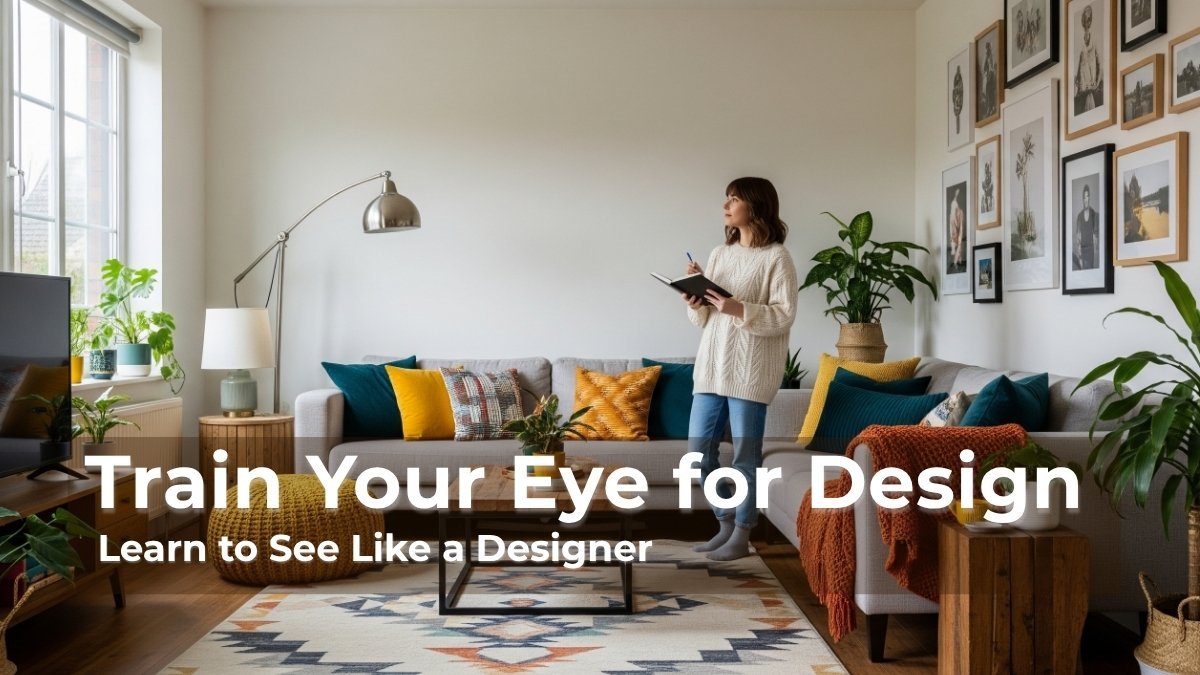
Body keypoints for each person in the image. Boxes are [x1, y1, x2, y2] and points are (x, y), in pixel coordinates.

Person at [682, 177, 797, 561]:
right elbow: (702, 320)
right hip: (712, 366)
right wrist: (695, 299)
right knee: (700, 452)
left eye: (734, 199)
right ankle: (725, 522)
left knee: (745, 456)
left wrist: (738, 308)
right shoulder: (720, 254)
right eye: (726, 198)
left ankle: (743, 534)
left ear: (756, 206)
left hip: (750, 371)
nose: (726, 205)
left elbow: (783, 316)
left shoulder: (777, 258)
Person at [1075, 6, 1102, 114]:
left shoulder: (1094, 42)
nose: (1088, 21)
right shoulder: (1079, 43)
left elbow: (1100, 65)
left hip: (1091, 89)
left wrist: (1097, 82)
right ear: (1082, 21)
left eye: (1090, 18)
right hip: (1081, 89)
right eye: (1086, 18)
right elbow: (1077, 66)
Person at [1073, 184, 1099, 270]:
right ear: (1082, 199)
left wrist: (1095, 251)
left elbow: (1095, 236)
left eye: (1087, 196)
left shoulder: (1093, 214)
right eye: (1084, 197)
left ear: (1089, 197)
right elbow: (1078, 237)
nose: (1086, 200)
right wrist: (1080, 255)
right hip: (1082, 252)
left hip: (1091, 252)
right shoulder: (1079, 216)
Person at [948, 189, 965, 273]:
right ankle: (955, 262)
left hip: (957, 230)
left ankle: (956, 262)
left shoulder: (960, 212)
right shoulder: (953, 209)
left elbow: (961, 227)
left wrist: (959, 239)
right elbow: (952, 226)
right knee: (954, 248)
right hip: (953, 229)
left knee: (958, 245)